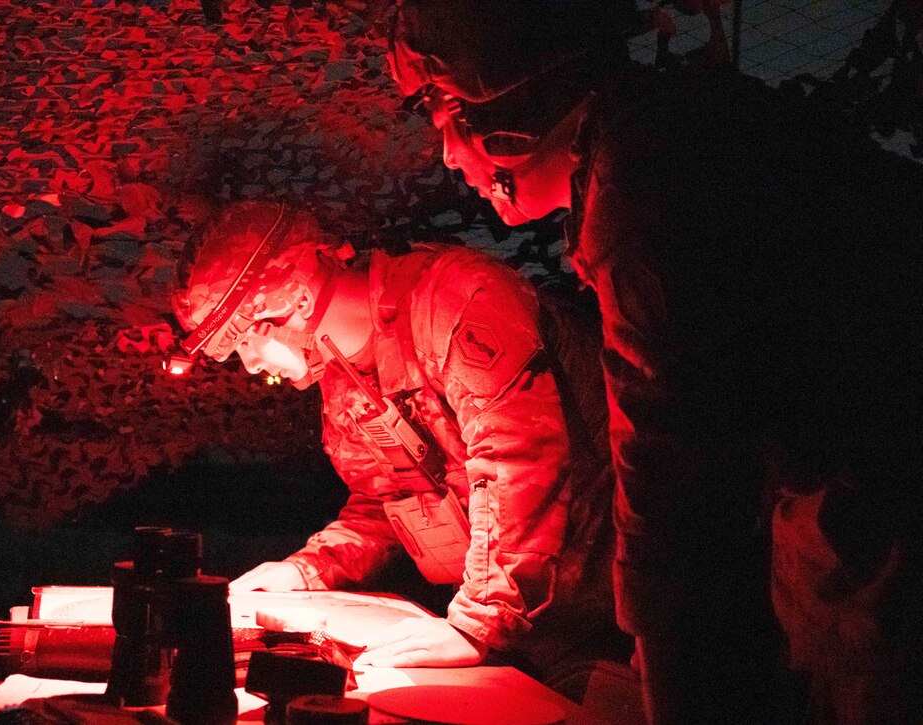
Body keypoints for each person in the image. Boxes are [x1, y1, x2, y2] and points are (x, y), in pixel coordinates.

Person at [387, 1, 923, 722]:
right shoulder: (672, 136)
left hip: (881, 498)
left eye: (445, 109)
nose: (449, 153)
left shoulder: (644, 184)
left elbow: (672, 462)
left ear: (506, 106)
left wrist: (666, 648)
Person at [171, 200, 637, 706]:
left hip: (614, 619)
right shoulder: (342, 374)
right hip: (519, 634)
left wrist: (477, 623)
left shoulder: (456, 298)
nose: (250, 362)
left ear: (297, 298)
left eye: (244, 340)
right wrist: (310, 569)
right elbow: (388, 500)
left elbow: (517, 457)